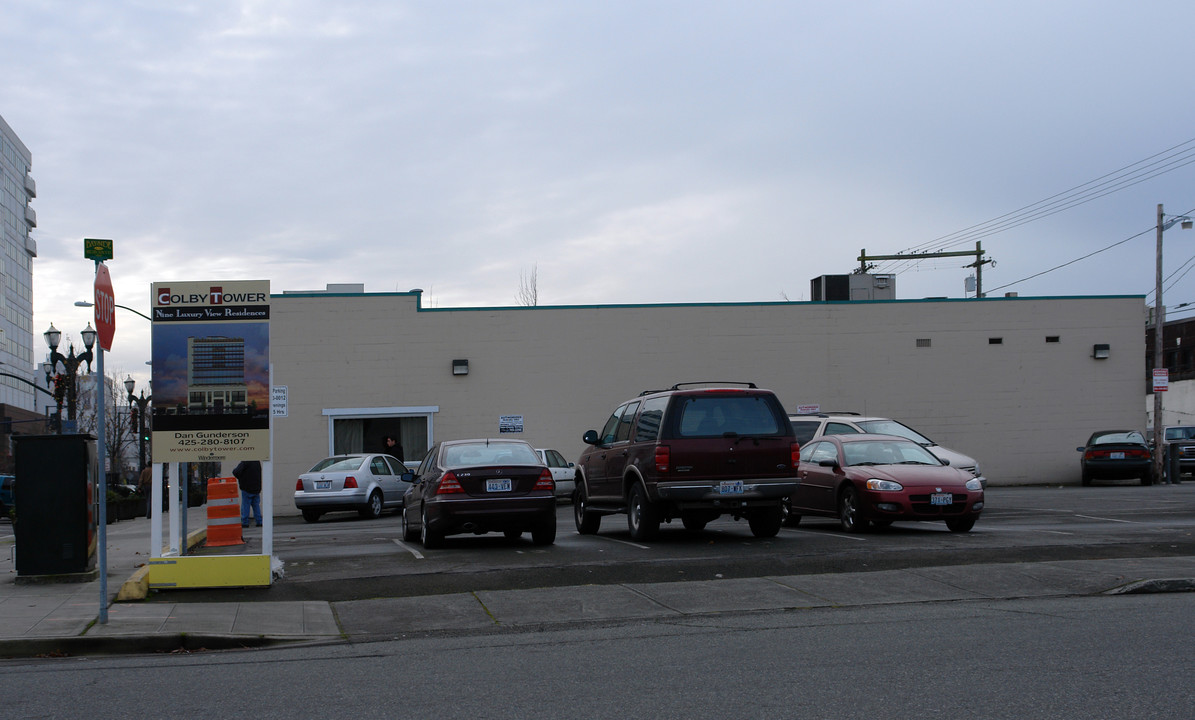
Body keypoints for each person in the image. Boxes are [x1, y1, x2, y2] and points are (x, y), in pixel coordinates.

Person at [232, 460, 263, 528]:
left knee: (245, 506)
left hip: (246, 487)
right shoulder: (257, 462)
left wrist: (241, 478)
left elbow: (236, 472)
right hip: (256, 487)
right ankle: (259, 521)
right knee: (256, 506)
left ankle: (245, 522)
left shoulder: (245, 462)